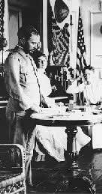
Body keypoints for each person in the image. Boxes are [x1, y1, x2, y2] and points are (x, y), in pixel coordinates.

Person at [4, 25, 50, 186]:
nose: (37, 46)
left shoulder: (29, 58)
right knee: (18, 152)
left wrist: (43, 101)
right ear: (22, 40)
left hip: (31, 113)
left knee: (29, 151)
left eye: (38, 42)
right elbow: (14, 88)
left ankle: (27, 185)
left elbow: (35, 85)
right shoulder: (13, 58)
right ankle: (16, 186)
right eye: (33, 42)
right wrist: (31, 106)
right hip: (20, 112)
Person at [31, 51, 90, 162]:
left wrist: (53, 103)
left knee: (65, 116)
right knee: (53, 126)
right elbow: (40, 96)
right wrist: (49, 105)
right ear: (35, 62)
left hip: (46, 103)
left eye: (44, 61)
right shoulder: (35, 76)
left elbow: (46, 96)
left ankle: (72, 148)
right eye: (40, 61)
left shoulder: (44, 75)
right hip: (39, 105)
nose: (43, 63)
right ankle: (66, 150)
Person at [66, 66, 102, 151]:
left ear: (93, 74)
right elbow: (69, 91)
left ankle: (99, 145)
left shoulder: (99, 84)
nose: (87, 76)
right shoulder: (84, 85)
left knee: (98, 121)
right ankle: (89, 144)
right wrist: (77, 79)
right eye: (85, 74)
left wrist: (100, 109)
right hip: (90, 108)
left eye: (89, 74)